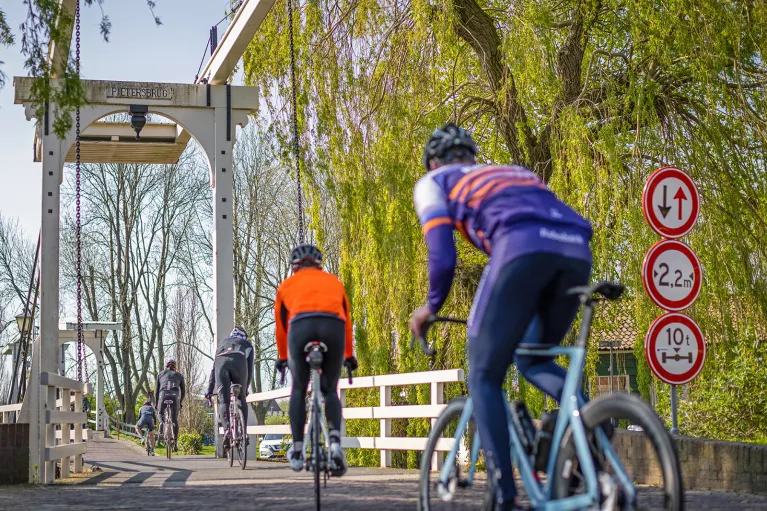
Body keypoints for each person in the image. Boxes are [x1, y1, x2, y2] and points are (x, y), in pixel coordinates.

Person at [408, 123, 593, 511]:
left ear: (433, 161)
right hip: (576, 249)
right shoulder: (512, 172)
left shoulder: (433, 182)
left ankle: (505, 495)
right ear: (472, 157)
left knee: (482, 375)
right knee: (532, 357)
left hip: (520, 247)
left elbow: (443, 255)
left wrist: (431, 307)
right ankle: (591, 448)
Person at [274, 244, 358, 476]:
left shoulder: (286, 286)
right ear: (319, 264)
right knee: (330, 390)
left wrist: (283, 357)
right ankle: (334, 444)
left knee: (299, 388)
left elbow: (281, 328)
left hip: (300, 327)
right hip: (333, 327)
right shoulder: (334, 282)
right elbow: (347, 321)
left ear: (295, 266)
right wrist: (349, 356)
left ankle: (299, 449)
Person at [205, 326, 255, 449]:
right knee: (241, 396)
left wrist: (209, 391)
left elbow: (213, 371)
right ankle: (244, 432)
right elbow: (250, 369)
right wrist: (245, 389)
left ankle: (227, 430)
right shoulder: (247, 344)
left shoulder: (222, 344)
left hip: (221, 363)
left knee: (224, 401)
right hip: (239, 362)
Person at [155, 359, 186, 451]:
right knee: (174, 420)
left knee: (160, 412)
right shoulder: (179, 375)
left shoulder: (160, 374)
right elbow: (183, 391)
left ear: (166, 367)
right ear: (175, 368)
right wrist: (180, 402)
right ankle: (175, 443)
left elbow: (156, 391)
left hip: (163, 394)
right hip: (175, 395)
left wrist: (157, 404)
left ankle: (161, 422)